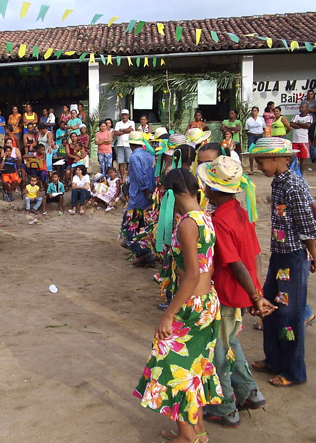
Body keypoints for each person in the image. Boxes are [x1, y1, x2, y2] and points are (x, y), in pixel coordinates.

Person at [135, 167, 222, 443]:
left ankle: (188, 437)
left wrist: (169, 314)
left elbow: (192, 274)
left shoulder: (187, 224)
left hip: (192, 305)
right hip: (207, 301)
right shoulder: (204, 218)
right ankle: (197, 431)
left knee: (171, 365)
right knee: (195, 368)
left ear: (169, 193)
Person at [196, 156, 271, 428]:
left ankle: (225, 407)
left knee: (219, 349)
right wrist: (257, 291)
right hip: (243, 290)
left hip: (228, 292)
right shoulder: (240, 212)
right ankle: (249, 391)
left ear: (214, 190)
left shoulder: (219, 221)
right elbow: (255, 255)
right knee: (231, 341)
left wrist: (255, 296)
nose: (203, 190)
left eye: (206, 186)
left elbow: (236, 264)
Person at [248, 138, 316, 387]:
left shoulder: (294, 184)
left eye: (261, 161)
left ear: (279, 158)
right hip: (279, 253)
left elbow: (307, 225)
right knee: (270, 308)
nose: (259, 166)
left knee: (290, 314)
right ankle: (274, 359)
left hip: (294, 256)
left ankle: (294, 371)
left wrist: (313, 254)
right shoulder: (278, 182)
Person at [120, 131, 155, 267]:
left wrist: (145, 191)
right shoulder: (149, 155)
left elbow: (140, 177)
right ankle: (144, 253)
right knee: (142, 225)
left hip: (138, 197)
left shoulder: (135, 157)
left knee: (129, 226)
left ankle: (143, 254)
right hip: (147, 195)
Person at [290, 103, 313, 175]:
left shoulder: (309, 117)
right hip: (295, 141)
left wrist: (298, 123)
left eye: (302, 107)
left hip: (304, 141)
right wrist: (302, 125)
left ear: (306, 109)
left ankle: (301, 174)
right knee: (294, 158)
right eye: (300, 107)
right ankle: (294, 173)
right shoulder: (296, 116)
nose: (300, 109)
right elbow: (291, 124)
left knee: (303, 159)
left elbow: (308, 125)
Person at [114, 109, 135, 182]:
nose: (124, 116)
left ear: (128, 115)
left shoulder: (131, 122)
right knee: (121, 162)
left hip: (128, 144)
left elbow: (131, 130)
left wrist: (121, 130)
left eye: (126, 114)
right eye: (123, 114)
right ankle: (123, 178)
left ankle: (128, 176)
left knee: (129, 162)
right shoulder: (118, 123)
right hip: (120, 144)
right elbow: (116, 133)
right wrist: (126, 130)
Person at [244, 106, 266, 175]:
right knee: (251, 152)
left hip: (259, 135)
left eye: (255, 111)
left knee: (260, 152)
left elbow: (264, 128)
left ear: (258, 112)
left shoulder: (261, 119)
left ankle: (262, 168)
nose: (254, 112)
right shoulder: (248, 120)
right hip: (252, 135)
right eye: (253, 111)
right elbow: (246, 130)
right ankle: (251, 169)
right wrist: (251, 135)